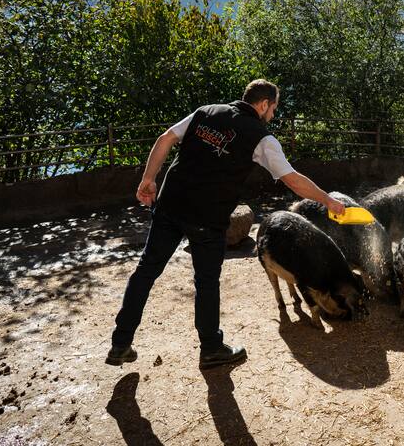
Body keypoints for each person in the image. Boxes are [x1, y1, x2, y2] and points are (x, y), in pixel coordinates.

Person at [106, 79, 346, 368]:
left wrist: (148, 179)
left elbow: (166, 138)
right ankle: (211, 348)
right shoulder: (262, 138)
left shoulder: (206, 111)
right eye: (273, 109)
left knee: (146, 271)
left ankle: (120, 344)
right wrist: (328, 200)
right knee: (206, 282)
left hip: (171, 204)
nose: (272, 116)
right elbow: (292, 179)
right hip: (207, 217)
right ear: (263, 104)